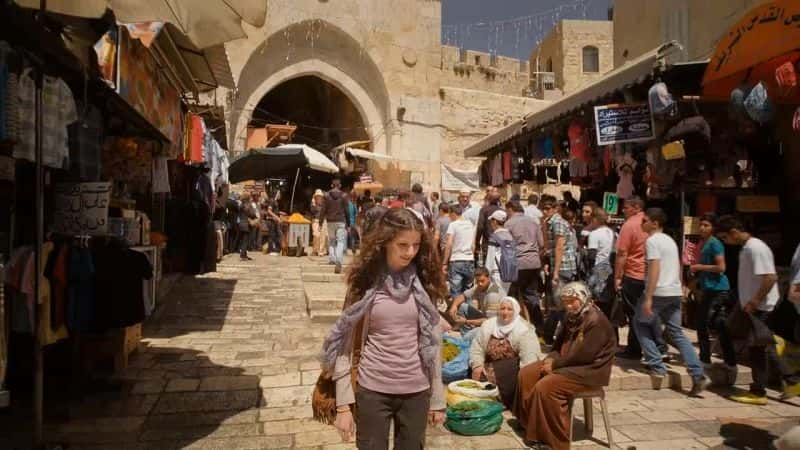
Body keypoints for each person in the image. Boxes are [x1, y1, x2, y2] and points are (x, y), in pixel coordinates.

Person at [320, 208, 447, 448]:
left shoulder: (425, 283)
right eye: (403, 245)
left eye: (416, 245)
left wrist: (437, 399)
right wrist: (344, 405)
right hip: (373, 389)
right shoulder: (365, 284)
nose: (410, 252)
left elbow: (434, 342)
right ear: (385, 241)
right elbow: (345, 344)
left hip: (416, 392)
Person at [513, 282, 615, 450]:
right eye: (566, 301)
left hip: (588, 371)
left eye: (572, 300)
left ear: (583, 299)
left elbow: (584, 356)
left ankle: (554, 443)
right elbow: (558, 344)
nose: (568, 305)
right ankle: (531, 427)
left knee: (546, 387)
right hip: (568, 364)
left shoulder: (595, 321)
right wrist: (550, 358)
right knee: (526, 373)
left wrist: (555, 365)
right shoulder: (571, 316)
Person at [717, 215, 800, 404]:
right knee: (762, 346)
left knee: (759, 347)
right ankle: (787, 381)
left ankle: (762, 390)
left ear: (734, 232)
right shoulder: (747, 248)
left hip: (760, 307)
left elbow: (770, 278)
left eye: (725, 237)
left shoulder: (756, 248)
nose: (726, 242)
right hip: (750, 305)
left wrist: (754, 301)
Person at [637, 208, 708, 395]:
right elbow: (676, 265)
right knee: (676, 333)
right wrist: (680, 288)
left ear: (654, 223)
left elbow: (654, 267)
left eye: (644, 220)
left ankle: (656, 365)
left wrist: (649, 296)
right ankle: (697, 373)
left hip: (658, 291)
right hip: (673, 291)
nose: (641, 223)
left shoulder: (652, 241)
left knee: (640, 325)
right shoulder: (670, 241)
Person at [614, 196, 664, 360]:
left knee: (634, 314)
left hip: (634, 275)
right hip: (651, 276)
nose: (623, 210)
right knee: (649, 313)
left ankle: (636, 349)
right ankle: (656, 346)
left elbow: (622, 253)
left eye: (626, 207)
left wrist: (618, 277)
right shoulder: (652, 225)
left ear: (635, 207)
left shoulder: (629, 225)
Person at [470, 296, 542, 410]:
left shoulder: (524, 329)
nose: (505, 312)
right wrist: (477, 365)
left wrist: (525, 384)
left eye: (509, 309)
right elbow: (477, 346)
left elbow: (529, 359)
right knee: (476, 376)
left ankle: (506, 398)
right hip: (488, 366)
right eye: (502, 308)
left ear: (516, 311)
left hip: (512, 371)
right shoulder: (489, 325)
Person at [689, 213, 736, 373]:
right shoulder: (704, 243)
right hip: (708, 288)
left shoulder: (715, 243)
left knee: (703, 323)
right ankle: (729, 360)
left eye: (706, 225)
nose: (702, 228)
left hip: (718, 289)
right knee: (719, 325)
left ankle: (706, 359)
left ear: (713, 228)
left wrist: (699, 267)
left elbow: (721, 268)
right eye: (701, 225)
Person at [505, 201, 545, 332]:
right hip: (534, 263)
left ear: (510, 209)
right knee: (531, 295)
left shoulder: (509, 223)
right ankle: (539, 326)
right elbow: (541, 244)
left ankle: (513, 326)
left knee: (513, 295)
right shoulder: (534, 222)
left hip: (518, 263)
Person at [448, 267, 505, 337]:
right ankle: (466, 334)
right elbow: (463, 296)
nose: (480, 284)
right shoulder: (479, 287)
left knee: (470, 336)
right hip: (486, 318)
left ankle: (468, 337)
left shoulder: (493, 295)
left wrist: (466, 321)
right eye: (478, 281)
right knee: (462, 306)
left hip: (496, 325)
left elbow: (490, 321)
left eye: (482, 281)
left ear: (489, 278)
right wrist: (454, 306)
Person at [586, 208, 617, 312]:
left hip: (598, 268)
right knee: (608, 300)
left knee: (597, 300)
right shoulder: (613, 233)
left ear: (595, 219)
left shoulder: (594, 234)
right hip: (610, 268)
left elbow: (591, 256)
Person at [443, 204, 476, 298]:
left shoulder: (453, 225)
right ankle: (467, 311)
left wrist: (444, 262)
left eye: (449, 215)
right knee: (468, 292)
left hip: (456, 260)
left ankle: (456, 311)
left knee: (456, 291)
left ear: (453, 214)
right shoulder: (470, 224)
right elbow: (473, 245)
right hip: (469, 260)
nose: (449, 217)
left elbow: (448, 244)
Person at [321, 179, 350, 274]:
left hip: (330, 221)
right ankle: (339, 260)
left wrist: (320, 222)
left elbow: (323, 210)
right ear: (340, 185)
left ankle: (332, 259)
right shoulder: (344, 196)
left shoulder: (326, 196)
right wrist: (349, 224)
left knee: (332, 241)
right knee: (341, 241)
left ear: (331, 185)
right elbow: (347, 211)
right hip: (341, 221)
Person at [486, 209, 513, 294]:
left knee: (497, 297)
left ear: (495, 221)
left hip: (496, 272)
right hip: (509, 271)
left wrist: (487, 273)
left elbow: (490, 257)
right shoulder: (510, 235)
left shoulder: (494, 236)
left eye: (491, 220)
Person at [475, 187, 502, 264]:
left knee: (487, 266)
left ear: (488, 199)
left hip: (487, 243)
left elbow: (480, 227)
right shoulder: (502, 211)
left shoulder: (484, 210)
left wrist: (477, 242)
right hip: (500, 243)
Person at [237, 192, 256, 261]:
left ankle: (244, 254)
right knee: (245, 240)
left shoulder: (241, 204)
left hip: (240, 224)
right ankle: (243, 256)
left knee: (242, 240)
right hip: (246, 225)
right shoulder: (248, 205)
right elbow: (252, 214)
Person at [310, 189, 326, 256]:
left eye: (320, 196)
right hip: (315, 221)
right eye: (317, 196)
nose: (319, 197)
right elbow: (312, 211)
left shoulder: (324, 204)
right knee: (316, 235)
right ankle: (315, 250)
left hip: (323, 221)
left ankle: (321, 251)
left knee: (323, 236)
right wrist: (313, 203)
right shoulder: (313, 204)